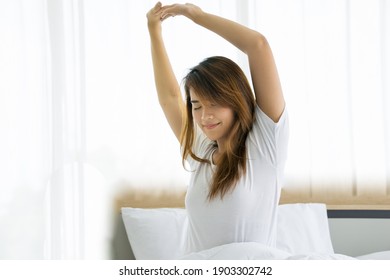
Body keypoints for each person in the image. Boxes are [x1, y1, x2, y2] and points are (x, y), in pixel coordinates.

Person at [146, 2, 289, 255]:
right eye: (197, 105)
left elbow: (258, 46)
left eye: (214, 103)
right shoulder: (201, 150)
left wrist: (197, 17)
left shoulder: (265, 146)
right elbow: (169, 98)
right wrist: (154, 30)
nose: (205, 116)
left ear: (236, 100)